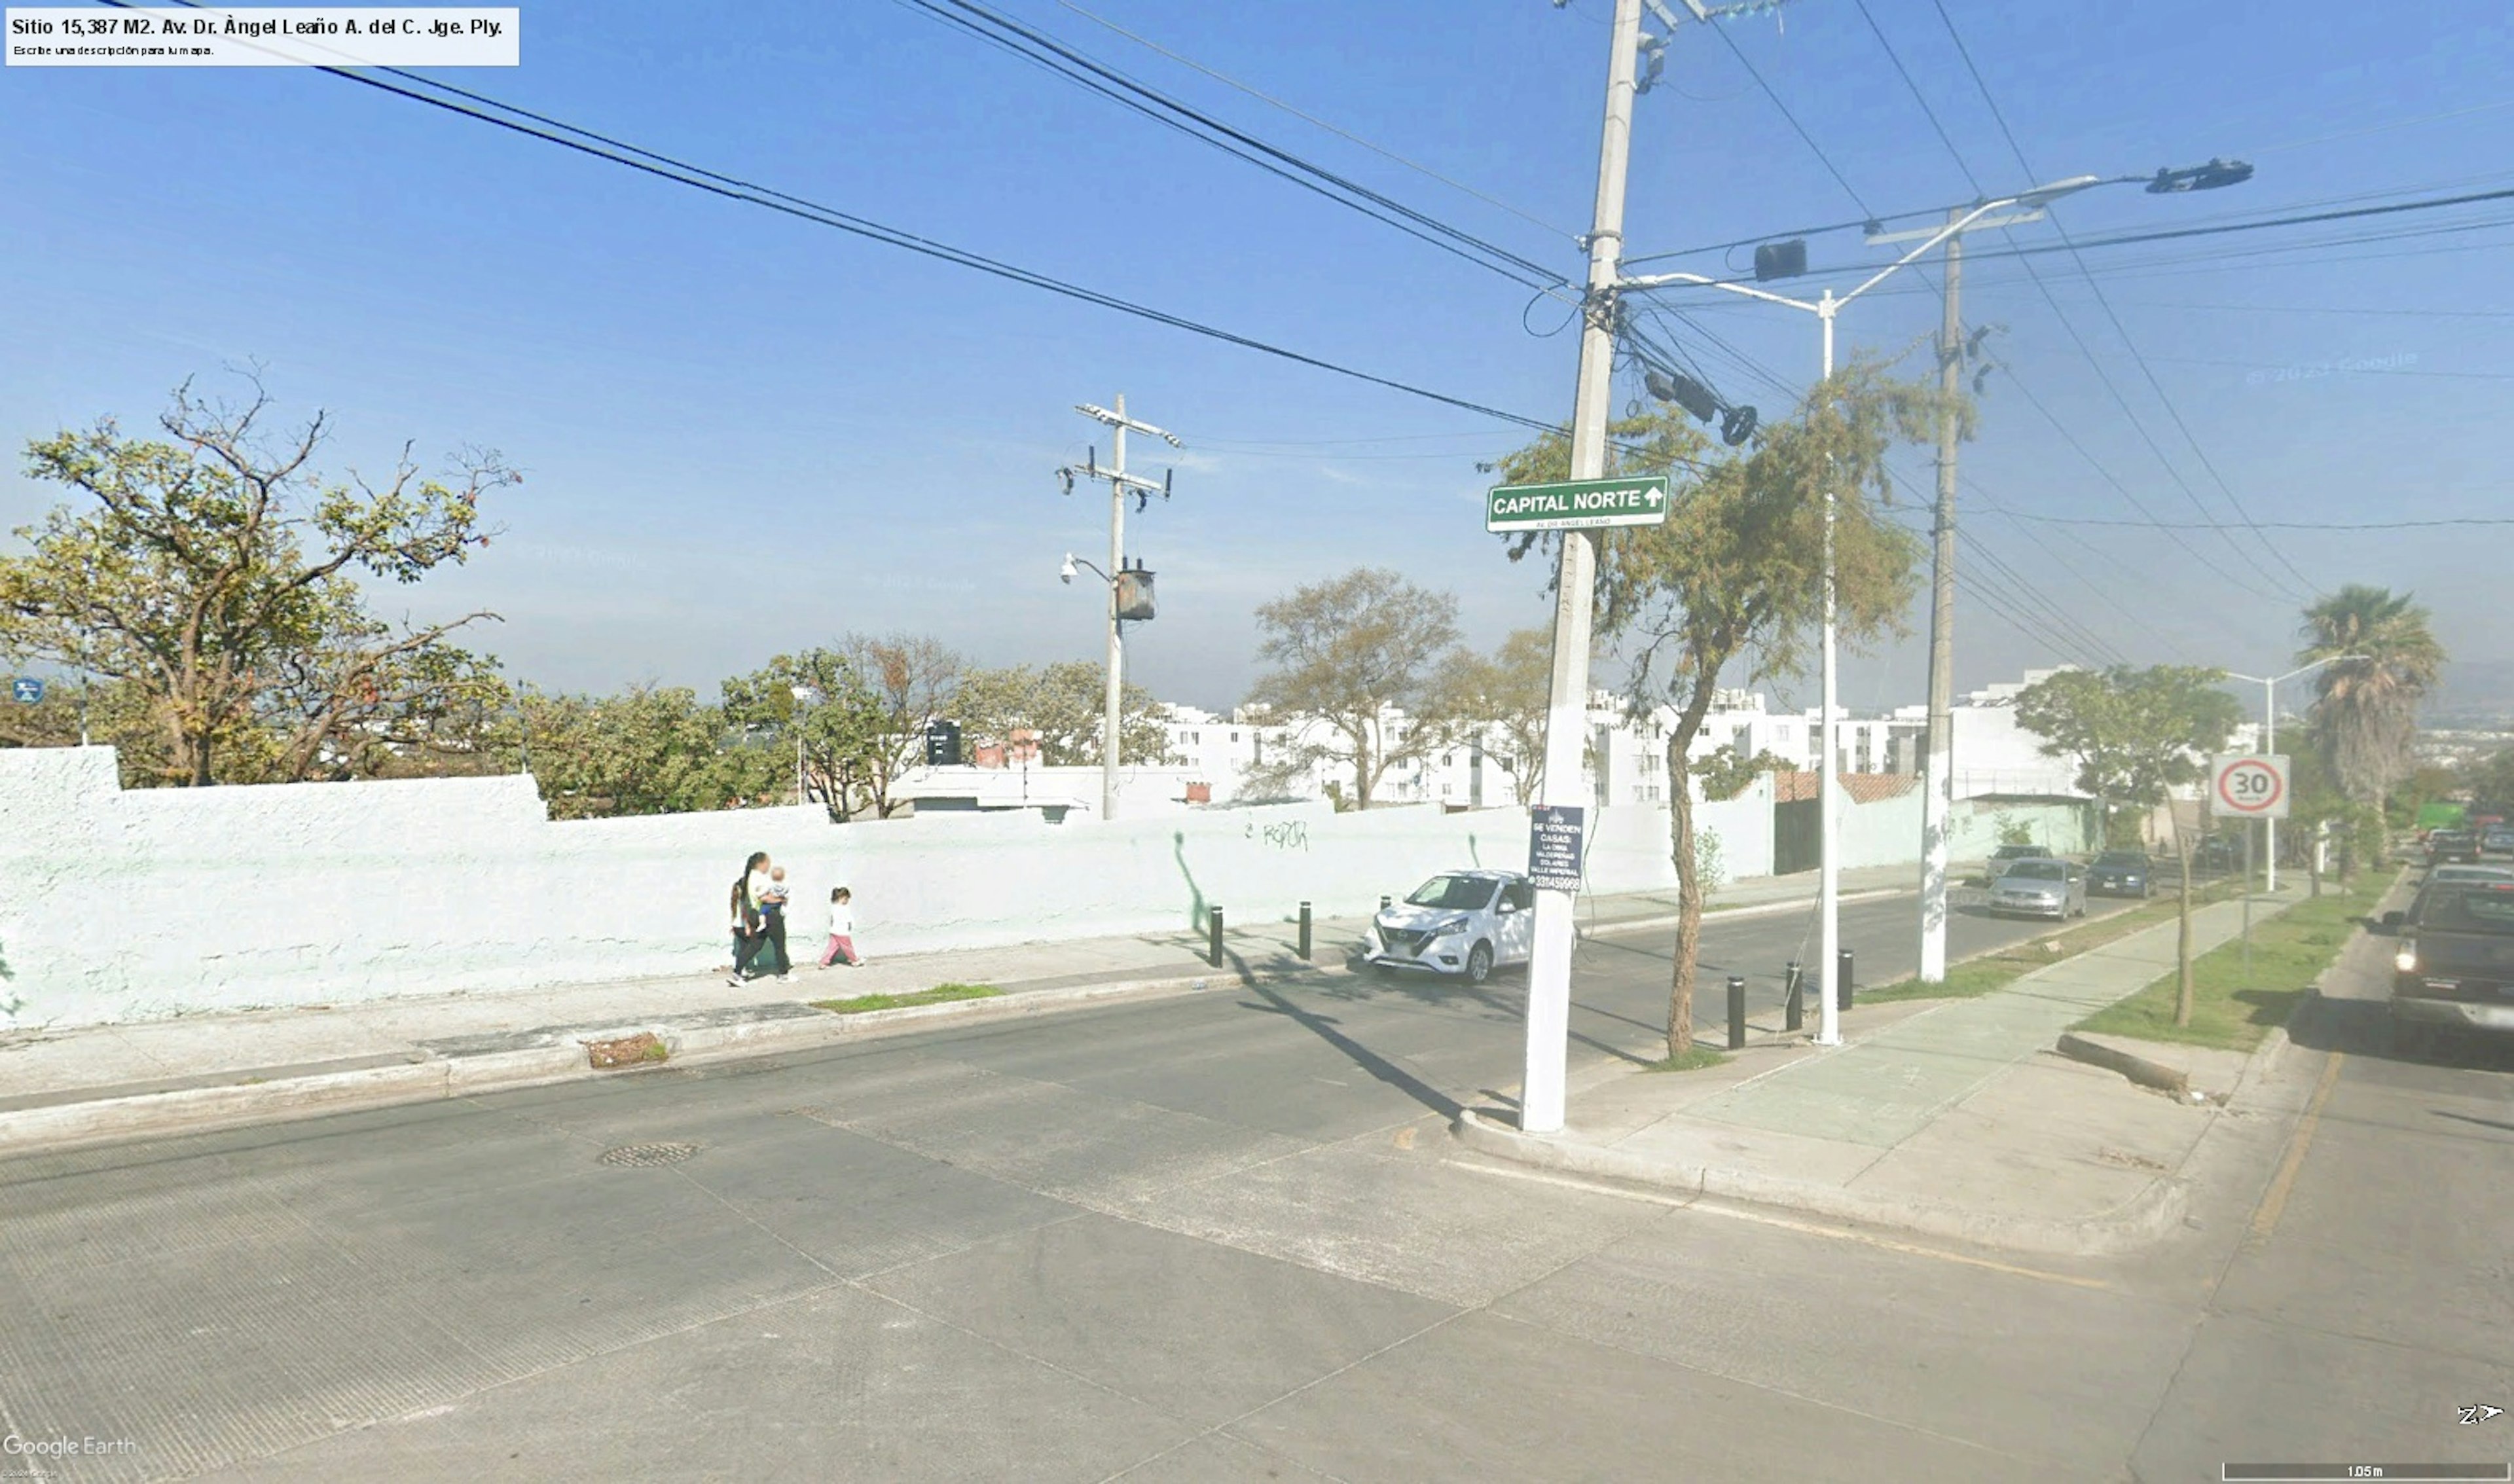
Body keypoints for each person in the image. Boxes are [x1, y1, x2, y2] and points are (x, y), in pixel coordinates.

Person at [726, 850, 771, 985]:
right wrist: (747, 926)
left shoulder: (735, 899)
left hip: (736, 926)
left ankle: (741, 969)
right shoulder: (745, 899)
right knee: (753, 946)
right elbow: (744, 913)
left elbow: (734, 913)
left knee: (744, 949)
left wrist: (732, 926)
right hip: (743, 925)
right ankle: (738, 972)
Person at [760, 865, 794, 981]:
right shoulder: (786, 886)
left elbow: (761, 896)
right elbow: (786, 898)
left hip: (769, 913)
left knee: (757, 944)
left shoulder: (769, 886)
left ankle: (739, 969)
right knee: (780, 945)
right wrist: (782, 901)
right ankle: (783, 974)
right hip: (777, 915)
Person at [818, 886, 862, 968]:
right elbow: (849, 919)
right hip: (842, 932)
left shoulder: (833, 907)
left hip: (834, 931)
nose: (847, 901)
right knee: (848, 947)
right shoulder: (845, 908)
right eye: (846, 899)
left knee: (831, 948)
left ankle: (823, 962)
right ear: (841, 898)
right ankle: (854, 960)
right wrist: (850, 926)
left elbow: (832, 919)